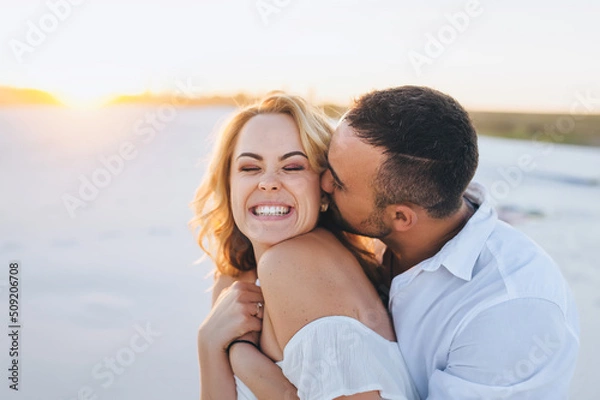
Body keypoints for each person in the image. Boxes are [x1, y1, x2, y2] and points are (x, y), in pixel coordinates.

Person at [320, 85, 580, 399]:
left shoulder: (511, 310)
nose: (321, 182)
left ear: (401, 218)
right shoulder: (367, 236)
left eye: (338, 182)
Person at [191, 92, 419, 399]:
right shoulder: (235, 281)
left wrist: (239, 355)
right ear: (228, 185)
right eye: (250, 168)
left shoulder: (293, 264)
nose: (268, 182)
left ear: (324, 188)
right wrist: (208, 344)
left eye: (293, 167)